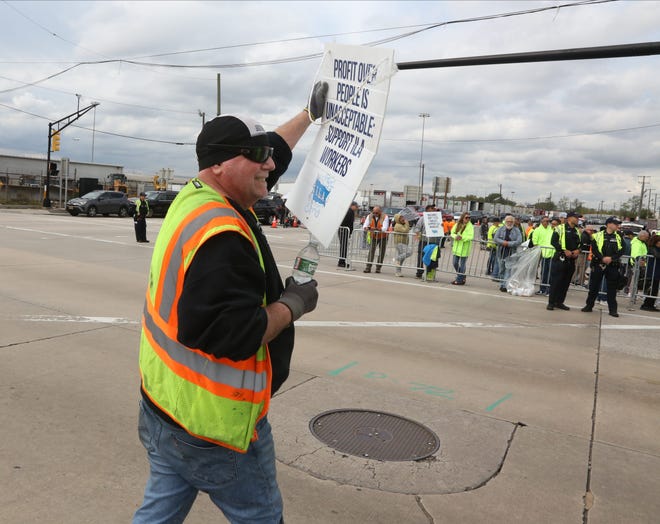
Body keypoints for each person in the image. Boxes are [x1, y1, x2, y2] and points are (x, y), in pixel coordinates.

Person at [133, 82, 328, 524]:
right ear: (222, 164)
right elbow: (232, 335)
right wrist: (294, 302)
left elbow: (271, 149)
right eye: (258, 157)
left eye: (269, 155)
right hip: (215, 426)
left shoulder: (196, 196)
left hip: (164, 404)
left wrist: (308, 115)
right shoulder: (222, 234)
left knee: (159, 511)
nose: (271, 164)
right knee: (261, 517)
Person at [581, 216, 624, 317]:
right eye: (615, 223)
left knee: (612, 289)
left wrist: (611, 258)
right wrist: (602, 258)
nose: (617, 226)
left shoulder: (618, 236)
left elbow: (622, 250)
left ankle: (613, 310)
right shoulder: (597, 235)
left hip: (612, 265)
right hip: (598, 264)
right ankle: (589, 305)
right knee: (594, 286)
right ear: (608, 224)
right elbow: (595, 249)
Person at [546, 211, 581, 311]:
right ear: (569, 218)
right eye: (576, 217)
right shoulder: (559, 228)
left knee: (565, 283)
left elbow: (580, 244)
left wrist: (578, 250)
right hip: (560, 259)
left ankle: (560, 302)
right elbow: (553, 242)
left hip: (571, 261)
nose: (577, 219)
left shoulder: (577, 231)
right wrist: (563, 250)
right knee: (556, 282)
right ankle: (551, 303)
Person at [493, 215, 523, 292]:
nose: (509, 223)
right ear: (505, 222)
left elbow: (519, 241)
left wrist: (509, 243)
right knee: (501, 269)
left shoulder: (517, 230)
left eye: (511, 221)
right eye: (508, 221)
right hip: (501, 252)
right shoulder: (500, 229)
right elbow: (496, 238)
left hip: (511, 253)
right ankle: (503, 282)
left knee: (508, 270)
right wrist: (503, 242)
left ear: (513, 222)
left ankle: (504, 285)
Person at [413, 205, 441, 279]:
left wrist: (441, 226)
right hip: (424, 241)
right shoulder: (422, 219)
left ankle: (430, 274)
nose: (434, 210)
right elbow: (417, 228)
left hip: (434, 242)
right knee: (421, 257)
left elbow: (441, 229)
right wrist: (418, 233)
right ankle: (419, 273)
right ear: (427, 210)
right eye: (432, 209)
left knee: (433, 258)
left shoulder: (437, 219)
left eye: (434, 209)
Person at [529, 215, 554, 295]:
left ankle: (548, 289)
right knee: (543, 272)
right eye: (545, 221)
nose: (547, 223)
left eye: (548, 221)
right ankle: (542, 289)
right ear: (541, 222)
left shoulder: (551, 229)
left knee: (550, 272)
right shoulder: (537, 230)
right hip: (541, 253)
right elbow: (535, 242)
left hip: (551, 253)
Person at [363, 206, 389, 273]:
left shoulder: (385, 216)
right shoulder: (370, 216)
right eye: (373, 212)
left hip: (383, 237)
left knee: (381, 252)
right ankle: (368, 267)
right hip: (373, 236)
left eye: (376, 213)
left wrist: (375, 229)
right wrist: (366, 228)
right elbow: (365, 225)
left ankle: (378, 268)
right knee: (371, 251)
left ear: (380, 211)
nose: (375, 214)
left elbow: (385, 228)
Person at [450, 211, 474, 285]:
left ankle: (459, 279)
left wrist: (462, 237)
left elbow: (471, 236)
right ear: (463, 218)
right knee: (455, 263)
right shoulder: (457, 224)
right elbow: (452, 233)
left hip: (465, 248)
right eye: (466, 217)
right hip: (457, 247)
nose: (468, 219)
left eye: (469, 218)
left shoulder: (470, 226)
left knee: (463, 264)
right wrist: (455, 236)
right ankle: (462, 276)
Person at [625, 229, 648, 295]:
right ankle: (632, 293)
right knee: (634, 279)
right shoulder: (637, 243)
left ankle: (635, 293)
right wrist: (641, 260)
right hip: (637, 264)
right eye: (646, 237)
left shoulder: (641, 242)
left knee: (637, 280)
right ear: (642, 236)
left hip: (640, 263)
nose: (647, 238)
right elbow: (635, 254)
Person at [640, 233, 660, 311]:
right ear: (656, 242)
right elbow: (657, 255)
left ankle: (650, 304)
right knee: (652, 289)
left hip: (657, 272)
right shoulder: (652, 248)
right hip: (653, 272)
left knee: (654, 290)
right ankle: (646, 304)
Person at [337, 201, 358, 268]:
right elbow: (346, 222)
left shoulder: (348, 211)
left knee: (344, 247)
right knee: (343, 247)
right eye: (356, 207)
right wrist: (348, 230)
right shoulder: (349, 211)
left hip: (344, 230)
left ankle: (342, 261)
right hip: (344, 231)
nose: (357, 208)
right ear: (352, 206)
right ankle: (341, 262)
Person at [391, 212, 411, 277]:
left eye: (403, 217)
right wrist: (407, 223)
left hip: (404, 243)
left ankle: (398, 272)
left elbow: (406, 229)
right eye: (401, 218)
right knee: (409, 252)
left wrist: (406, 224)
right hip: (399, 243)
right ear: (397, 219)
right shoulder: (398, 225)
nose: (403, 219)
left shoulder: (402, 224)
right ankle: (396, 258)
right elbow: (406, 230)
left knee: (401, 259)